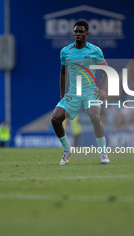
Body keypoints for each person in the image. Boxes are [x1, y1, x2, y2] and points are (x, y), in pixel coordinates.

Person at [51, 19, 109, 165]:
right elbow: (63, 73)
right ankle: (67, 149)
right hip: (73, 93)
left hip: (90, 91)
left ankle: (103, 152)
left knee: (94, 116)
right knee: (55, 118)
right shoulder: (65, 52)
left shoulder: (95, 51)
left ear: (87, 34)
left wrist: (103, 90)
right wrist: (62, 94)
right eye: (76, 31)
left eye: (81, 31)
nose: (78, 33)